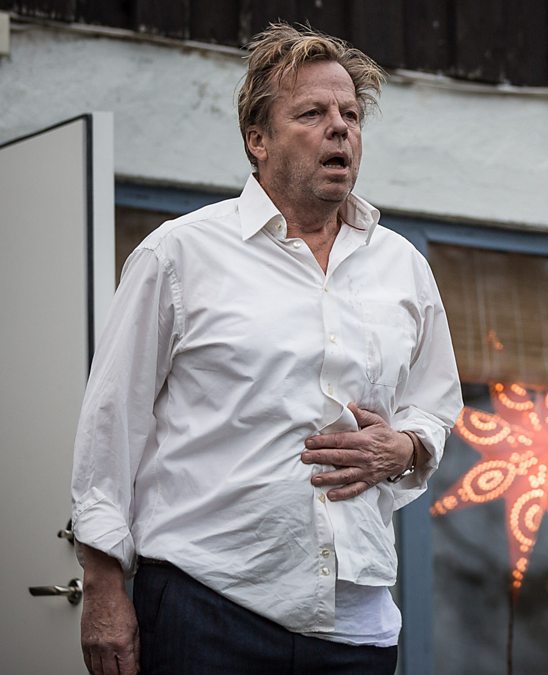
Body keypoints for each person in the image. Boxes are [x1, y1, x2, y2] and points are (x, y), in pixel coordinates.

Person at [69, 22, 462, 675]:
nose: (339, 129)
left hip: (357, 628)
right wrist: (103, 584)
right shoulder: (179, 253)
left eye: (350, 115)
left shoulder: (402, 266)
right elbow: (111, 423)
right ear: (258, 140)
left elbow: (435, 400)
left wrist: (408, 446)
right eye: (312, 114)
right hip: (209, 605)